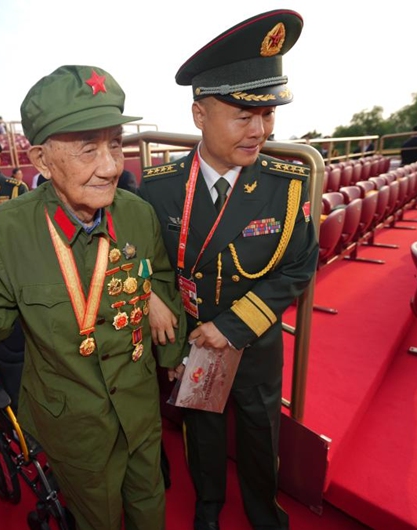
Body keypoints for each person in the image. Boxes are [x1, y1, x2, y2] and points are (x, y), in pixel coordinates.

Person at [0, 65, 187, 530]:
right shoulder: (2, 233)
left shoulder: (136, 214)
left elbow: (158, 274)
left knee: (151, 505)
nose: (111, 166)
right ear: (41, 160)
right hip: (73, 424)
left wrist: (169, 343)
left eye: (114, 143)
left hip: (140, 406)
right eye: (87, 148)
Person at [139, 11, 319, 530]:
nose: (259, 130)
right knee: (203, 432)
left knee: (262, 434)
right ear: (199, 114)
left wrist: (233, 327)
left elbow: (300, 263)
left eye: (267, 115)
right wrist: (168, 326)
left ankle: (265, 515)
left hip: (253, 339)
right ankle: (209, 509)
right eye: (243, 114)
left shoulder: (287, 185)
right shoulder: (159, 187)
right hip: (195, 340)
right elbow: (148, 264)